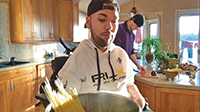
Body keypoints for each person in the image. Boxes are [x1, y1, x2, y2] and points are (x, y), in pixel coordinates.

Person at [58, 0, 145, 109]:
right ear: (88, 22)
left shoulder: (121, 54)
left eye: (114, 21)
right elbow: (68, 101)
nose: (109, 27)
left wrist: (137, 97)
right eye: (102, 19)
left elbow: (129, 83)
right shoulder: (79, 58)